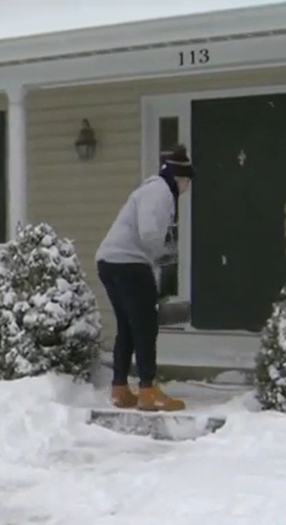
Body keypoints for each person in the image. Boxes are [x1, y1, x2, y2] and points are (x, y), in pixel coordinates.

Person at [94, 145, 195, 412]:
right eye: (187, 183)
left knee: (127, 325)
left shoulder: (150, 189)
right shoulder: (160, 191)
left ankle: (119, 388)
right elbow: (149, 231)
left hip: (109, 260)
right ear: (180, 178)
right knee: (145, 325)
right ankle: (148, 389)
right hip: (129, 263)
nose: (187, 189)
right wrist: (165, 257)